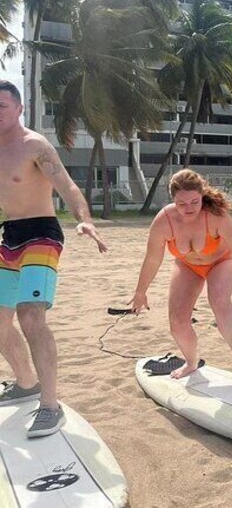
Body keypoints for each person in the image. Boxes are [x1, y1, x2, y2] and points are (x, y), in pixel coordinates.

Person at [0, 80, 107, 437]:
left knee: (31, 317)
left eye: (1, 106)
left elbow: (68, 186)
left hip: (42, 233)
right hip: (10, 236)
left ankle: (50, 405)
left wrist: (85, 220)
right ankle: (26, 383)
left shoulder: (35, 146)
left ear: (18, 109)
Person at [129, 170, 232, 378]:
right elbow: (153, 259)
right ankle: (191, 362)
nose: (189, 208)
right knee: (178, 319)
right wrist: (140, 291)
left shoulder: (216, 216)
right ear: (173, 199)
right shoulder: (164, 220)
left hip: (223, 261)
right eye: (182, 203)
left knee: (218, 301)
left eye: (194, 202)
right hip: (187, 266)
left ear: (202, 196)